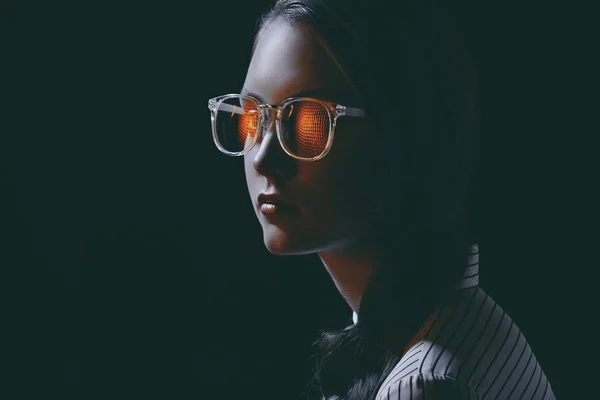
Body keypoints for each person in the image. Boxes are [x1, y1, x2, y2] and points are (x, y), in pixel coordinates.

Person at [207, 0, 556, 398]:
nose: (264, 158)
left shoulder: (422, 383)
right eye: (254, 116)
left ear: (404, 137)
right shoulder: (465, 319)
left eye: (306, 122)